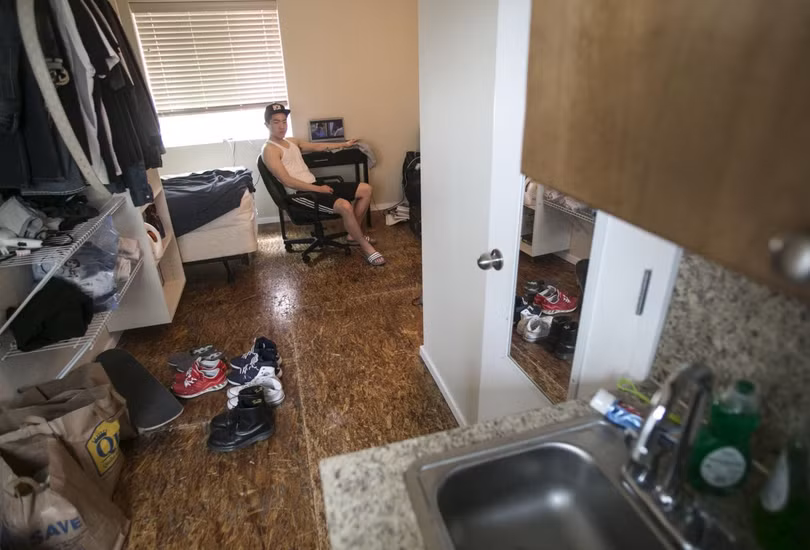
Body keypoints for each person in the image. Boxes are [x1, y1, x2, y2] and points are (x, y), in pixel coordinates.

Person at [261, 103, 385, 266]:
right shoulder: (269, 150)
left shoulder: (291, 141)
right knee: (345, 206)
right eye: (276, 122)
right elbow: (287, 181)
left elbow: (318, 146)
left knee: (365, 189)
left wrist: (344, 144)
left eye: (284, 121)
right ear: (267, 124)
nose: (281, 126)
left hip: (313, 185)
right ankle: (366, 246)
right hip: (299, 194)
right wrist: (318, 189)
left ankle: (353, 235)